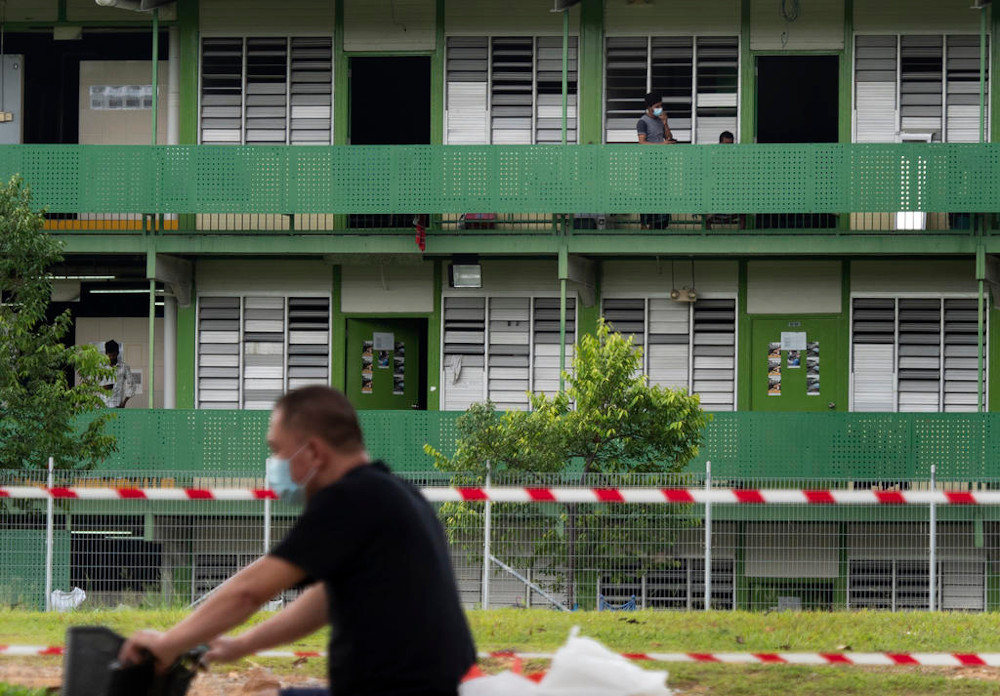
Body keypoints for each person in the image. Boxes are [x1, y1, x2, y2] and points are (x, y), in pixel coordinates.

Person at [119, 385, 476, 696]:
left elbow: (250, 591)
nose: (272, 463)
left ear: (314, 453)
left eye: (277, 450)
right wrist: (241, 644)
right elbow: (322, 601)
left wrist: (167, 644)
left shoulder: (350, 498)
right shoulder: (396, 493)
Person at [637, 92, 674, 230]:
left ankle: (660, 224)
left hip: (661, 163)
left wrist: (665, 123)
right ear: (649, 107)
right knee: (648, 193)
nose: (660, 109)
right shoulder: (643, 121)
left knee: (661, 193)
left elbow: (668, 136)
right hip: (648, 163)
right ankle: (646, 224)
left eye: (661, 106)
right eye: (657, 106)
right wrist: (661, 145)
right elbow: (642, 142)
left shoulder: (660, 120)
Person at [705, 131, 746, 230]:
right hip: (716, 196)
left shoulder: (737, 160)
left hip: (732, 196)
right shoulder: (712, 158)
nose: (727, 148)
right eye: (725, 145)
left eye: (730, 145)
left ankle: (742, 230)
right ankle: (707, 230)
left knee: (745, 201)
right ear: (720, 144)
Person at [101, 339, 135, 408]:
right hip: (102, 405)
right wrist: (102, 387)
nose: (111, 358)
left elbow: (132, 385)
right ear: (106, 354)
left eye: (113, 355)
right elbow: (93, 382)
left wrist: (124, 402)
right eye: (109, 356)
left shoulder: (124, 367)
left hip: (117, 405)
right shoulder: (101, 367)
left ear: (117, 353)